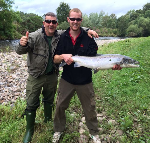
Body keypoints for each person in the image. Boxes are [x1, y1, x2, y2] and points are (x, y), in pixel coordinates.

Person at [15, 12, 99, 143]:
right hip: (36, 76)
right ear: (44, 23)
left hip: (53, 76)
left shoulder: (59, 34)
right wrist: (22, 44)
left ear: (57, 24)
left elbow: (76, 28)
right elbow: (20, 51)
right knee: (33, 103)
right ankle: (30, 130)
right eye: (48, 21)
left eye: (53, 22)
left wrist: (88, 30)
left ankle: (50, 122)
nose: (51, 24)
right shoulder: (35, 36)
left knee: (51, 101)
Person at [52, 8, 122, 143]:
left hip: (85, 80)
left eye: (78, 19)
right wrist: (62, 56)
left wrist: (110, 65)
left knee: (90, 108)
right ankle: (58, 130)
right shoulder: (62, 37)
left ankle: (94, 133)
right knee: (60, 106)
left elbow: (96, 59)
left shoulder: (88, 38)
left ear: (81, 20)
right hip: (67, 79)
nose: (75, 22)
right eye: (72, 19)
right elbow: (55, 59)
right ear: (68, 20)